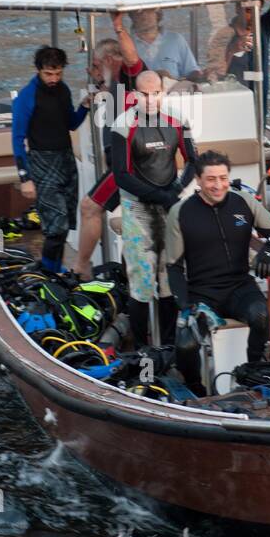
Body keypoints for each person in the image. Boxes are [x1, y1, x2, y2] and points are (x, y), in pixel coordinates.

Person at [165, 150, 270, 391]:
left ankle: (252, 374)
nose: (218, 185)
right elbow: (173, 267)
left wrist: (268, 251)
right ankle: (196, 389)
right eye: (211, 179)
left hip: (239, 288)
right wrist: (184, 305)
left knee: (260, 316)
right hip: (202, 294)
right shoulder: (180, 212)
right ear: (199, 181)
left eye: (223, 178)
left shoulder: (242, 201)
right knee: (186, 343)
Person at [107, 69, 198, 346]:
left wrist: (178, 189)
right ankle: (142, 347)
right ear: (134, 96)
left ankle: (169, 345)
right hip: (138, 208)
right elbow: (121, 175)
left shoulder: (177, 120)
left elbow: (193, 160)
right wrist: (160, 196)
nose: (149, 100)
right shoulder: (123, 125)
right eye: (143, 95)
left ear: (163, 93)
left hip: (169, 203)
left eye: (155, 94)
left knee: (168, 276)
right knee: (142, 280)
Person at [73, 14, 145, 277]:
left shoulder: (127, 78)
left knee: (89, 206)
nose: (91, 71)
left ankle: (81, 268)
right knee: (127, 218)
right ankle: (123, 273)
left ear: (108, 61)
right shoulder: (112, 89)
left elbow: (132, 58)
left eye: (94, 65)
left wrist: (118, 28)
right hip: (120, 165)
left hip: (130, 166)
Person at [11, 47, 90, 273]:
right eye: (48, 74)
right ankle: (48, 271)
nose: (54, 79)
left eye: (58, 74)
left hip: (66, 160)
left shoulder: (63, 90)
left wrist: (84, 107)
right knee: (56, 225)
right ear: (39, 70)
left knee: (65, 224)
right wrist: (24, 177)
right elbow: (17, 139)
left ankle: (54, 268)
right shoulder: (27, 96)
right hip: (42, 162)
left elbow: (71, 124)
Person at [207, 0, 270, 117]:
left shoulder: (262, 27)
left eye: (257, 10)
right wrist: (232, 49)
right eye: (248, 11)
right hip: (232, 103)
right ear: (237, 8)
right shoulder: (223, 35)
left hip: (259, 101)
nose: (253, 16)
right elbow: (214, 75)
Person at [127, 9, 200, 79]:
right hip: (136, 92)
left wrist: (201, 76)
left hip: (173, 91)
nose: (144, 14)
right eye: (138, 11)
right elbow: (119, 83)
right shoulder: (125, 45)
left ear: (158, 14)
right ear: (131, 15)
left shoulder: (176, 39)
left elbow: (191, 72)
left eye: (149, 10)